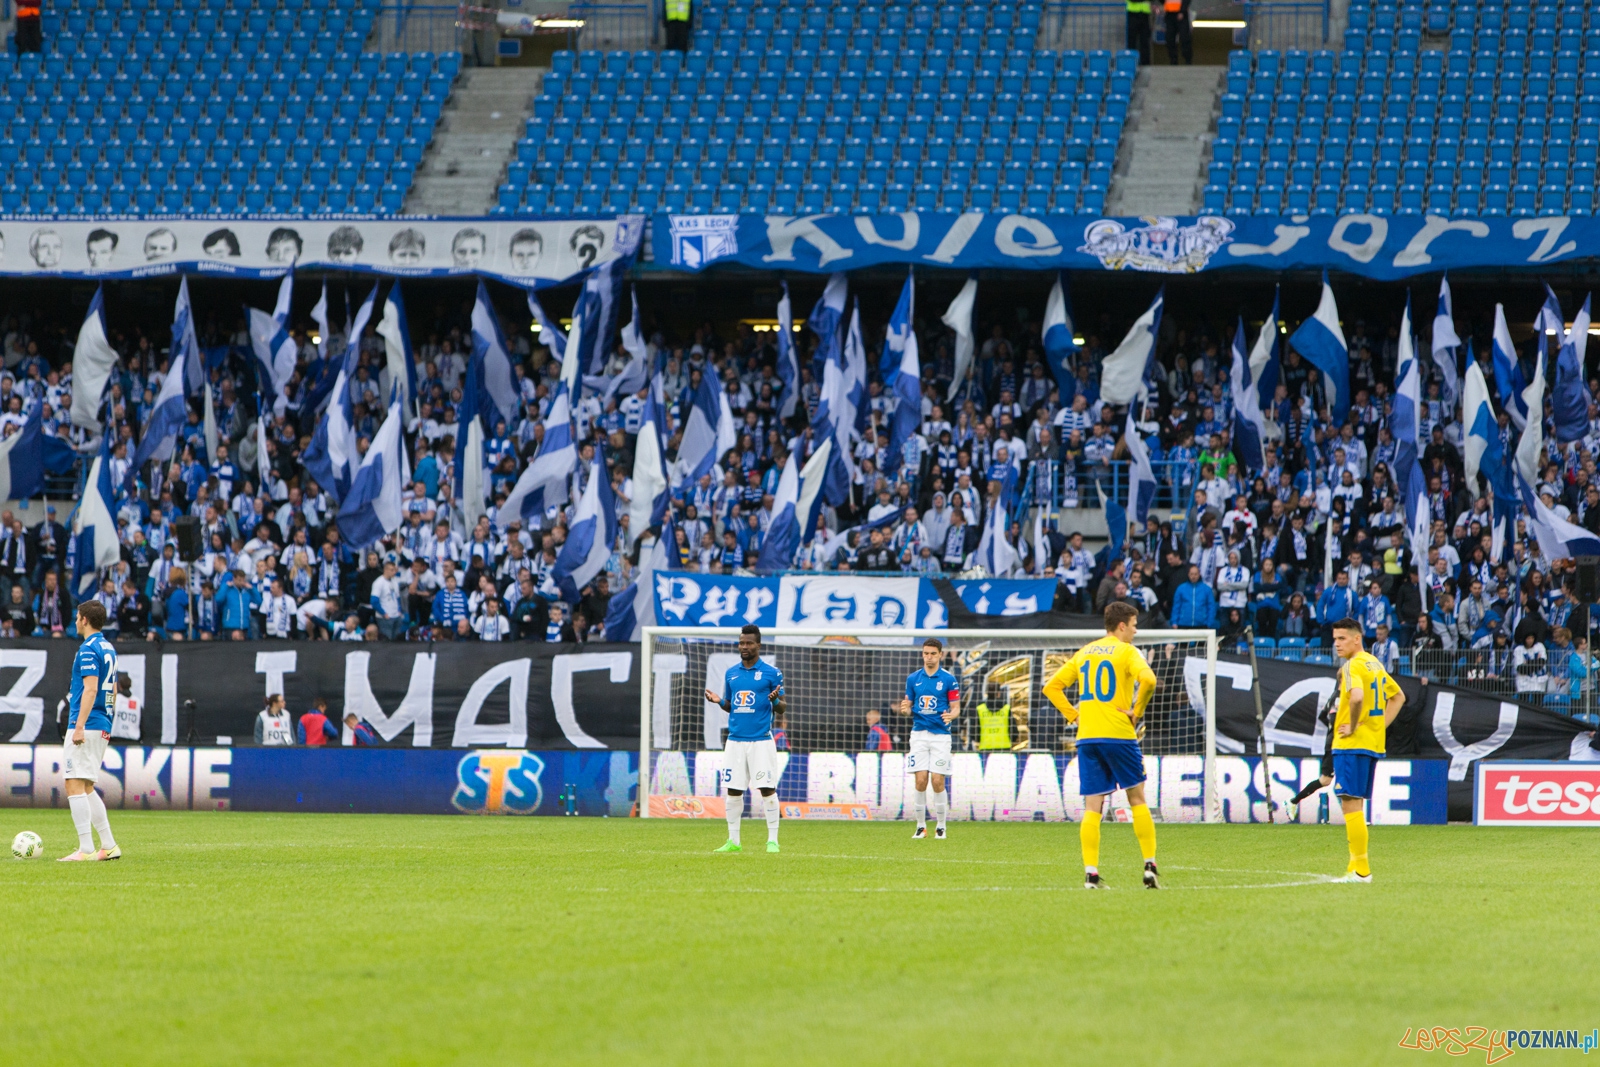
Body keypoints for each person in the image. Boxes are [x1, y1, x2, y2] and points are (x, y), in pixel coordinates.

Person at [1043, 601, 1160, 889]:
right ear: (1122, 625)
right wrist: (1137, 710)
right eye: (1134, 625)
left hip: (1088, 737)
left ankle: (1091, 874)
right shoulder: (1127, 651)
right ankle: (1149, 866)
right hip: (1118, 734)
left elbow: (1051, 687)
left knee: (1092, 807)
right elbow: (1149, 679)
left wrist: (1073, 714)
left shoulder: (1085, 652)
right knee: (1137, 799)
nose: (1135, 631)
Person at [1327, 617, 1405, 884]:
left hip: (1352, 744)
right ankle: (1354, 868)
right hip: (1371, 743)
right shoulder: (1375, 664)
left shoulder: (1352, 666)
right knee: (1356, 805)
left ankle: (1361, 871)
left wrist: (1354, 725)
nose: (1336, 643)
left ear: (1356, 638)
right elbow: (1398, 697)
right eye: (1335, 638)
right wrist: (1378, 726)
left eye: (1342, 638)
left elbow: (1357, 697)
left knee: (1350, 806)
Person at [702, 623, 784, 854]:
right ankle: (733, 841)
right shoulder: (731, 673)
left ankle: (773, 841)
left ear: (758, 645)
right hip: (735, 741)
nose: (744, 646)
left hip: (761, 740)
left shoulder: (772, 673)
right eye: (741, 643)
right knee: (733, 791)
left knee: (767, 789)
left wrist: (775, 700)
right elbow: (734, 707)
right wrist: (720, 701)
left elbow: (783, 709)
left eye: (749, 643)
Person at [59, 601, 121, 862]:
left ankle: (85, 849)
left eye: (77, 617)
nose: (75, 622)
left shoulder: (88, 649)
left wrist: (80, 725)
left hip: (87, 723)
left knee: (73, 782)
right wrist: (106, 722)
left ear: (85, 620)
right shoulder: (109, 647)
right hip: (103, 722)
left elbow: (91, 689)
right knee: (86, 785)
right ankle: (108, 846)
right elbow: (114, 691)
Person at [900, 636, 961, 839]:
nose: (929, 657)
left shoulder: (948, 679)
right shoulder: (912, 679)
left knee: (937, 780)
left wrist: (951, 715)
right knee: (920, 780)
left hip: (941, 736)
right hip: (918, 735)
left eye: (933, 654)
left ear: (940, 655)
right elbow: (908, 708)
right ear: (922, 654)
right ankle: (920, 826)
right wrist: (905, 709)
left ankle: (941, 825)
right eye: (926, 653)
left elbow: (956, 708)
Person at [1163, 0, 1192, 65]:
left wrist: (1182, 11)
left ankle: (1187, 60)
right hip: (1169, 13)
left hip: (1181, 14)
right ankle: (1173, 60)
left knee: (1184, 38)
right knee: (1170, 39)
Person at [1125, 0, 1152, 66]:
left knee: (1145, 40)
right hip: (1132, 13)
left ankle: (1145, 63)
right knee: (1131, 40)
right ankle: (1131, 62)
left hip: (1145, 14)